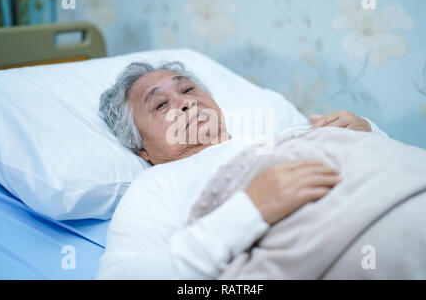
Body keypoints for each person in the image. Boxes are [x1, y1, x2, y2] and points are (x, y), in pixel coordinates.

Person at [96, 61, 388, 279]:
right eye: (160, 105)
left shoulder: (279, 136)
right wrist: (252, 209)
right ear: (142, 148)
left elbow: (388, 170)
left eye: (187, 89)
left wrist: (368, 132)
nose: (185, 102)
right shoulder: (156, 185)